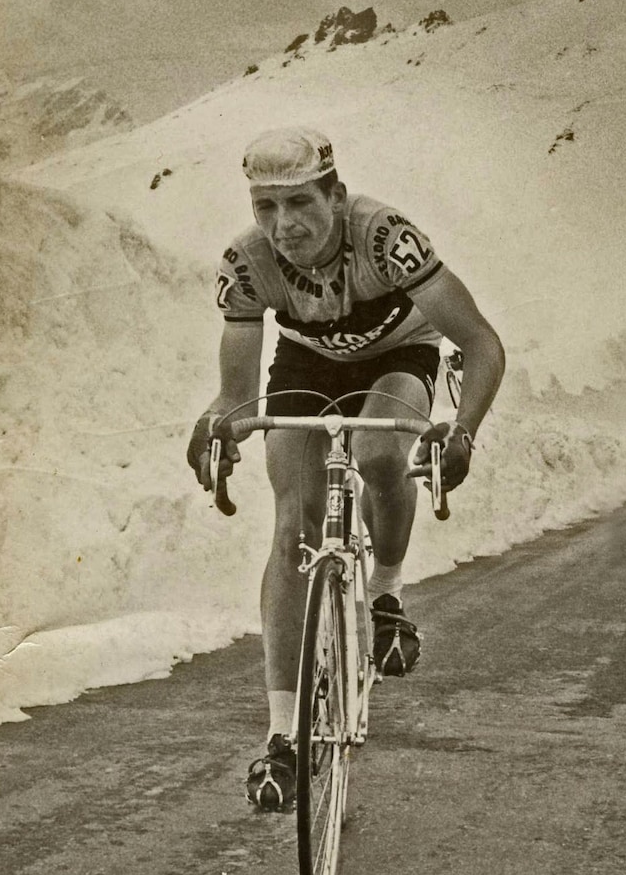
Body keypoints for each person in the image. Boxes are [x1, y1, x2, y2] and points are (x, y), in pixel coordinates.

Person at [187, 126, 505, 811]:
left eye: (299, 203)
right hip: (305, 367)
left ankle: (385, 597)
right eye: (265, 208)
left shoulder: (387, 237)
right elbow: (239, 396)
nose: (283, 225)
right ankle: (282, 738)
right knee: (293, 523)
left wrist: (463, 430)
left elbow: (479, 341)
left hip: (399, 357)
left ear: (336, 194)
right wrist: (221, 426)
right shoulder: (245, 262)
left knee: (382, 453)